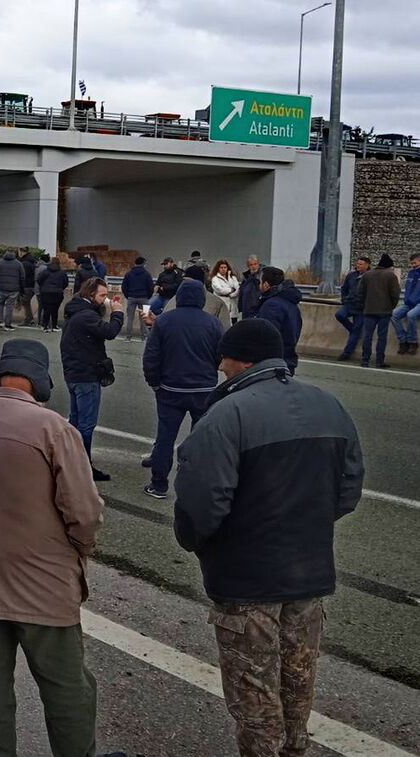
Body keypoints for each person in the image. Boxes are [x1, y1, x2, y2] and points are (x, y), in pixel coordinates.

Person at [173, 318, 363, 757]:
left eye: (224, 356)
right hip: (309, 573)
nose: (220, 365)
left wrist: (200, 542)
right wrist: (306, 526)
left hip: (246, 580)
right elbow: (349, 488)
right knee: (298, 684)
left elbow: (201, 502)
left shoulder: (226, 414)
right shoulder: (329, 404)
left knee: (255, 698)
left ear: (241, 359)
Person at [0, 339, 105, 757]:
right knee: (68, 692)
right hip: (44, 589)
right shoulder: (54, 429)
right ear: (39, 379)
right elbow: (84, 514)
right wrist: (74, 552)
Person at [140, 281, 224, 499]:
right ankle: (194, 483)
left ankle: (158, 484)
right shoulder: (213, 324)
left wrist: (154, 382)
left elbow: (152, 356)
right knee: (200, 438)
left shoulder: (164, 321)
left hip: (170, 388)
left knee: (165, 437)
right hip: (204, 388)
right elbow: (220, 356)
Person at [60, 277, 124, 482]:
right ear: (90, 295)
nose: (104, 300)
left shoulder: (76, 312)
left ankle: (71, 460)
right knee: (86, 424)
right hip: (86, 375)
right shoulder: (86, 316)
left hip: (74, 373)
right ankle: (83, 466)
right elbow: (110, 332)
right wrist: (118, 312)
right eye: (102, 295)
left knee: (76, 421)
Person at [256, 266, 303, 375]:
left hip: (273, 365)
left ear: (266, 285)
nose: (259, 285)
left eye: (260, 282)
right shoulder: (291, 303)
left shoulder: (271, 306)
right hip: (287, 360)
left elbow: (265, 337)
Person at [358, 254, 401, 368]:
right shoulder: (391, 276)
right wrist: (391, 306)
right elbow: (395, 295)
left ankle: (365, 360)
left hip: (369, 310)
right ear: (388, 266)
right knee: (382, 337)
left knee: (367, 336)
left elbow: (360, 293)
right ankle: (379, 361)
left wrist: (365, 305)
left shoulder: (367, 275)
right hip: (384, 311)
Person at [335, 257, 370, 361]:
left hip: (362, 308)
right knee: (339, 315)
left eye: (361, 264)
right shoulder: (351, 275)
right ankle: (352, 329)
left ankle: (347, 353)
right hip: (349, 304)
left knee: (356, 331)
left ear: (367, 265)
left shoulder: (369, 277)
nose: (358, 266)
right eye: (358, 264)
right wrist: (344, 299)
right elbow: (344, 288)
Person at [391, 252, 420, 355]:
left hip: (419, 303)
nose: (413, 265)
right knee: (394, 314)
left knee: (410, 315)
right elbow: (407, 288)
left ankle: (413, 342)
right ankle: (403, 340)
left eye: (415, 263)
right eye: (412, 263)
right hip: (408, 302)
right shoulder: (411, 273)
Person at [121, 257, 154, 341]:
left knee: (130, 318)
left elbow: (124, 286)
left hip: (131, 297)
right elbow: (150, 287)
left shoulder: (128, 274)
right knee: (144, 317)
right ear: (143, 263)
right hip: (144, 297)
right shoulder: (147, 274)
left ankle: (128, 337)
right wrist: (148, 296)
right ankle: (144, 336)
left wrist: (128, 295)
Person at [0, 250, 24, 332]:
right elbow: (22, 277)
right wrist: (21, 289)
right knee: (10, 306)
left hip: (0, 288)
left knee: (0, 305)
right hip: (13, 289)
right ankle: (7, 324)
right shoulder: (18, 264)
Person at [35, 258, 69, 332]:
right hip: (57, 293)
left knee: (46, 310)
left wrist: (43, 287)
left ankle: (45, 326)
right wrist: (60, 288)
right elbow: (66, 283)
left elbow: (39, 280)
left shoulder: (45, 272)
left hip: (46, 293)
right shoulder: (62, 273)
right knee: (55, 310)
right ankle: (54, 326)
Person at [18, 248, 39, 327]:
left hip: (27, 285)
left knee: (25, 303)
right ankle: (30, 319)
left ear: (22, 252)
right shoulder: (32, 260)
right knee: (26, 302)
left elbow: (23, 276)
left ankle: (28, 319)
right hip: (33, 285)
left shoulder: (24, 263)